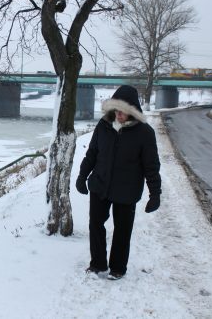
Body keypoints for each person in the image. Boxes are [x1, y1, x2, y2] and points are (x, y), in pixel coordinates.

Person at [75, 85, 161, 280]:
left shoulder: (145, 133)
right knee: (96, 224)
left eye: (123, 111)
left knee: (122, 230)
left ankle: (118, 268)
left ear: (132, 111)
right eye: (116, 110)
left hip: (127, 189)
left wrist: (155, 194)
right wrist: (82, 176)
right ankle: (98, 264)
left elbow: (151, 166)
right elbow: (92, 154)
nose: (119, 114)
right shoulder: (103, 126)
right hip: (100, 184)